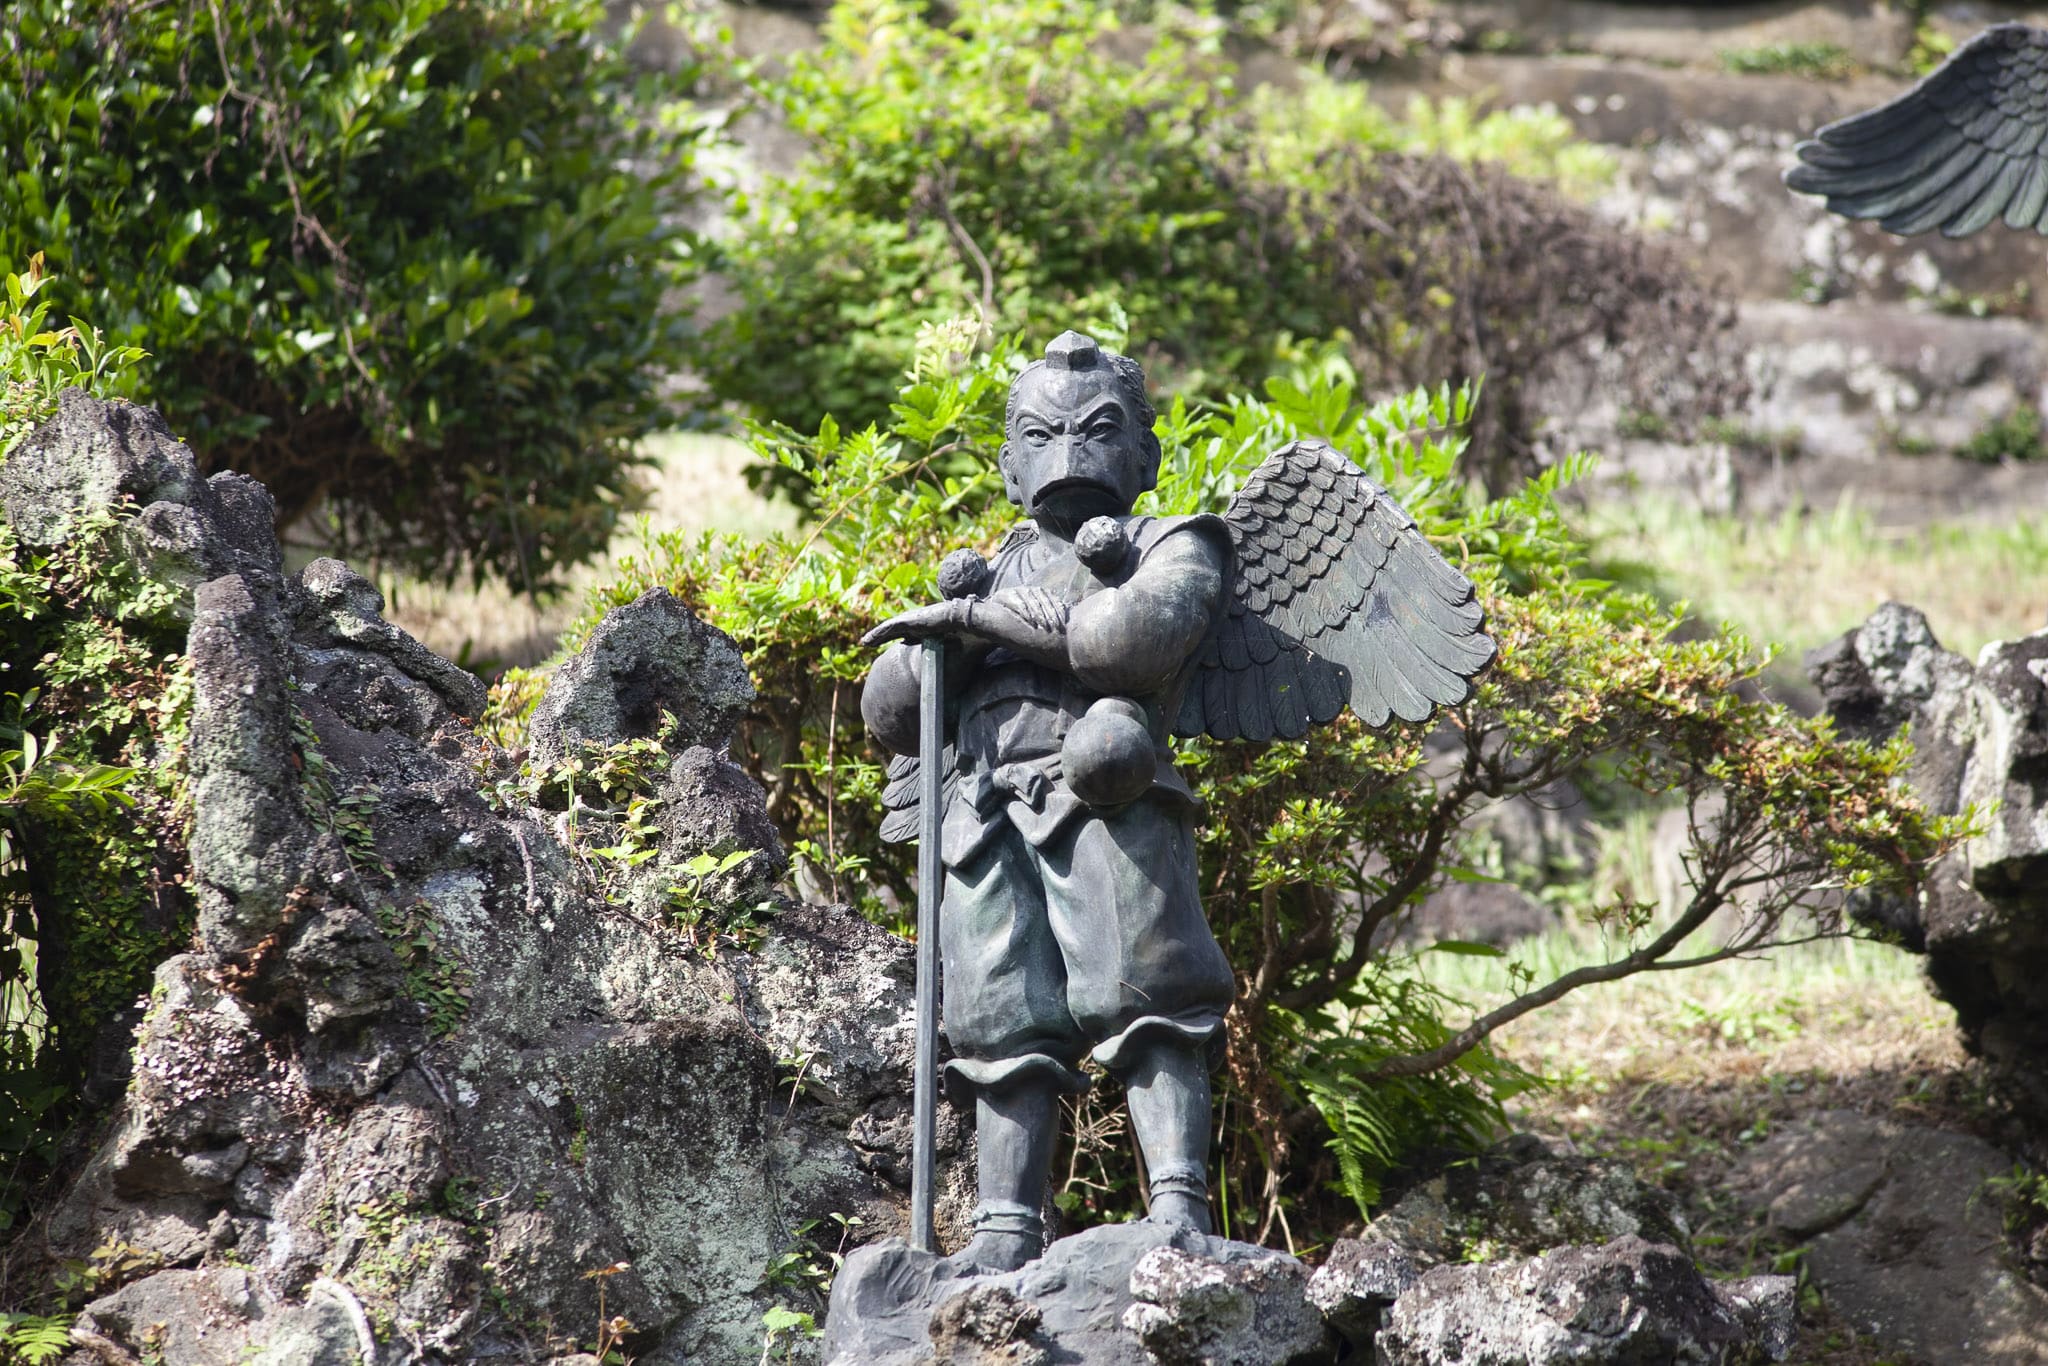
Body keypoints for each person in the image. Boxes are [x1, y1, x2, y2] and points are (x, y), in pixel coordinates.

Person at [860, 331, 1236, 1274]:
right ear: (1007, 463)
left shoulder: (1172, 545)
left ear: (1145, 455)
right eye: (1040, 434)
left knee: (1143, 988)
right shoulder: (986, 568)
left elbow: (1124, 643)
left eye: (1098, 431)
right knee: (999, 1017)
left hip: (1106, 796)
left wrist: (981, 625)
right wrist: (940, 643)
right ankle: (1004, 1228)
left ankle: (1177, 1201)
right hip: (983, 808)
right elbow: (891, 712)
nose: (1068, 451)